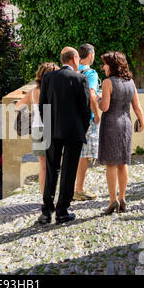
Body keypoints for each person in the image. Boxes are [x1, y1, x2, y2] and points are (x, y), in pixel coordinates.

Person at [38, 47, 91, 225]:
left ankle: (46, 212)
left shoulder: (48, 78)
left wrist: (48, 128)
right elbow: (86, 110)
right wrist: (82, 129)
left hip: (52, 131)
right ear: (75, 59)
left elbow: (42, 107)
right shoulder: (80, 78)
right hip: (73, 132)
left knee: (52, 169)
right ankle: (62, 211)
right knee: (68, 171)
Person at [98, 51, 144, 215]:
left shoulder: (107, 83)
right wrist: (142, 121)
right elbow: (137, 106)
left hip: (111, 123)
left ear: (111, 65)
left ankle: (113, 201)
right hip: (126, 123)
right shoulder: (130, 82)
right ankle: (123, 198)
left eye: (105, 63)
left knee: (111, 163)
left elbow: (104, 107)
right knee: (123, 162)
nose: (103, 67)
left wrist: (97, 99)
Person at [15, 62, 60, 195]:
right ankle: (53, 195)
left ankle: (45, 197)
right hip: (53, 129)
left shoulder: (33, 92)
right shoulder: (56, 91)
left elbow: (18, 106)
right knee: (54, 166)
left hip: (37, 129)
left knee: (43, 167)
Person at [74, 44, 101, 201]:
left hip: (72, 117)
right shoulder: (90, 73)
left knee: (75, 154)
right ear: (90, 54)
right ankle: (79, 189)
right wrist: (96, 114)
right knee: (83, 156)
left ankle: (72, 187)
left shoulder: (73, 70)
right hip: (86, 118)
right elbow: (91, 94)